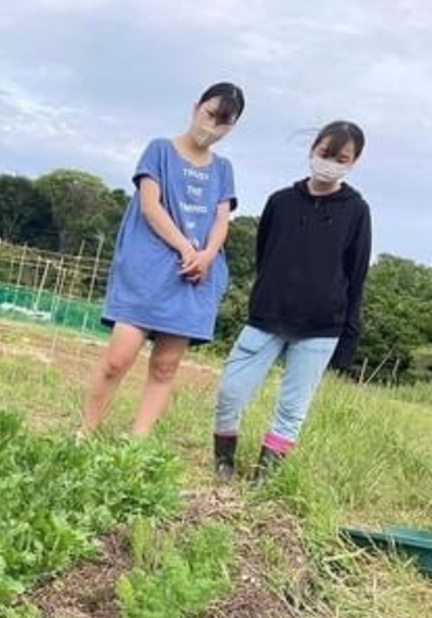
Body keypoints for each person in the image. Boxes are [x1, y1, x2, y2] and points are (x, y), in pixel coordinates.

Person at [80, 82, 245, 437]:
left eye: (224, 122)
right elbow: (150, 206)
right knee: (117, 360)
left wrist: (206, 255)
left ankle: (136, 444)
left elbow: (220, 221)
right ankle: (86, 433)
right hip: (148, 271)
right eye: (210, 114)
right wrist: (186, 248)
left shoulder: (223, 169)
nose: (213, 126)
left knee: (166, 366)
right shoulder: (159, 151)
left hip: (192, 279)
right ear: (196, 107)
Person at [213, 121, 371, 481]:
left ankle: (264, 477)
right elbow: (264, 252)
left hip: (321, 327)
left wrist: (348, 338)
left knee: (292, 407)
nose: (330, 162)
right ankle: (224, 461)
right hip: (267, 316)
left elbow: (356, 275)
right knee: (230, 392)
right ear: (313, 149)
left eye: (341, 158)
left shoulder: (357, 211)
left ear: (353, 162)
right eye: (326, 154)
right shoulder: (281, 201)